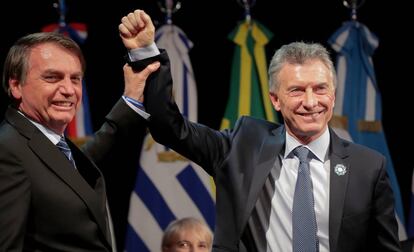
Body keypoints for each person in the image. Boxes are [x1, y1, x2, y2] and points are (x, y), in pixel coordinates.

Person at [119, 9, 401, 252]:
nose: (311, 102)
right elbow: (169, 128)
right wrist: (145, 53)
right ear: (275, 99)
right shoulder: (243, 147)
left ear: (334, 95)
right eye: (297, 90)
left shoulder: (368, 167)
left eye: (320, 89)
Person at [0, 32, 159, 251]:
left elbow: (67, 174)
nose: (68, 90)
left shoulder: (43, 143)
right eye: (52, 77)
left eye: (75, 79)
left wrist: (129, 101)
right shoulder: (7, 150)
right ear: (16, 85)